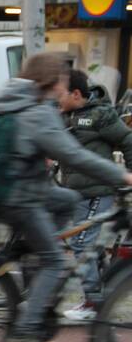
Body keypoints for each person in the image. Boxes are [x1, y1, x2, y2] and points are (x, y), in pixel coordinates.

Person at [0, 53, 132, 342]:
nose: (64, 87)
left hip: (23, 188)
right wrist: (122, 176)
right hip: (21, 194)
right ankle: (26, 333)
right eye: (63, 80)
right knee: (56, 260)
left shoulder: (22, 100)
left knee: (67, 201)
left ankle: (36, 255)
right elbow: (75, 155)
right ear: (53, 81)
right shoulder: (40, 110)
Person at [57, 69, 132, 321]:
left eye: (61, 93)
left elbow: (127, 140)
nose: (56, 98)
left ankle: (92, 303)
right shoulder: (66, 114)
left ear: (76, 94)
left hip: (97, 191)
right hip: (78, 191)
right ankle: (100, 293)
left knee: (81, 244)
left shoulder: (100, 114)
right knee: (87, 245)